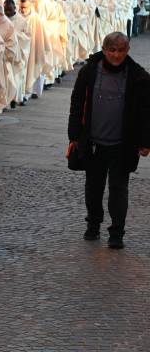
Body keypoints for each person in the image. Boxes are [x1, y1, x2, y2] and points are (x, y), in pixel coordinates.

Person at [68, 32, 150, 249]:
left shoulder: (138, 77)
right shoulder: (89, 71)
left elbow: (146, 111)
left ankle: (117, 232)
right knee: (93, 188)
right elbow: (77, 101)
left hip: (123, 144)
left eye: (120, 50)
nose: (116, 55)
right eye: (111, 50)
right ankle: (93, 225)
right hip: (94, 143)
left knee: (118, 189)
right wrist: (74, 134)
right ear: (104, 50)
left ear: (127, 51)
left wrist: (145, 141)